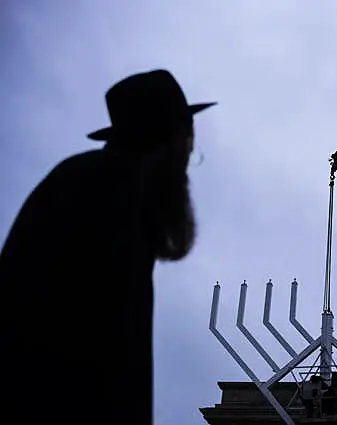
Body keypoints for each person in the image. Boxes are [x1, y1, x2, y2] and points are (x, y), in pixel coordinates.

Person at [0, 70, 215, 424]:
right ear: (174, 142)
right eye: (188, 149)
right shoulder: (113, 195)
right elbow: (112, 352)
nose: (186, 166)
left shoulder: (87, 180)